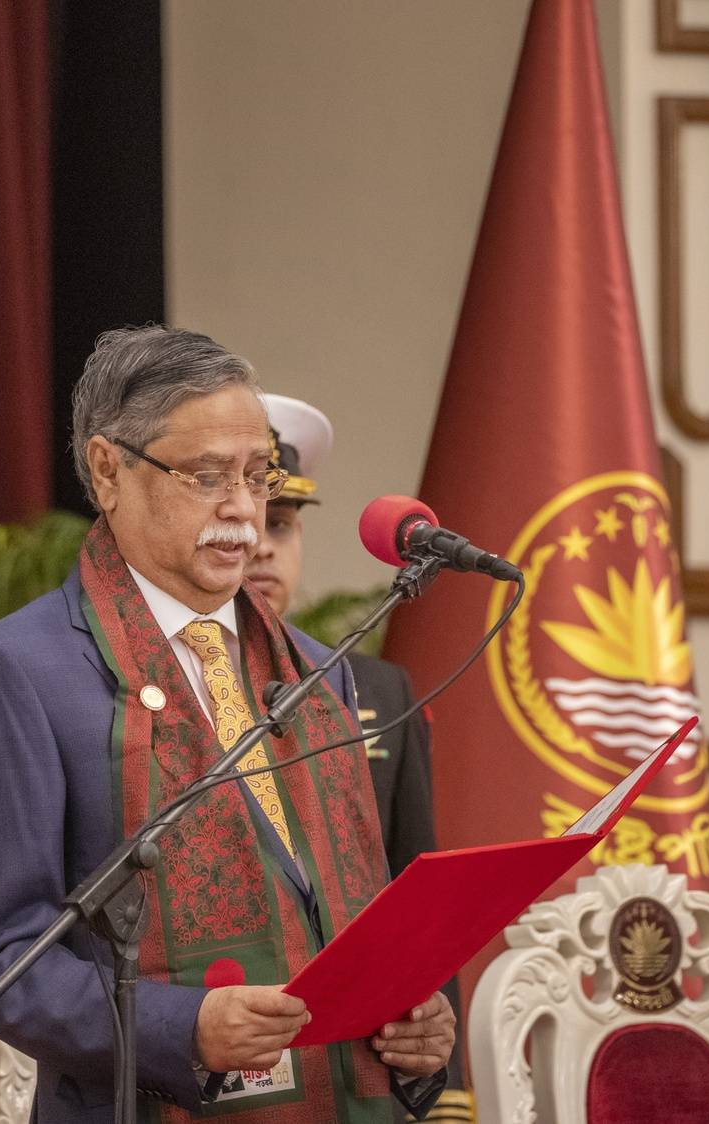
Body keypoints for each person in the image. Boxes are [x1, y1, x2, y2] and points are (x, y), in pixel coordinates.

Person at [0, 326, 454, 1122]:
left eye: (258, 477)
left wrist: (413, 1031)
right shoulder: (23, 673)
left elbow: (348, 922)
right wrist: (188, 1027)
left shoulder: (319, 671)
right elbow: (4, 967)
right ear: (109, 470)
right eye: (208, 477)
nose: (243, 511)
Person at [246, 392, 475, 1121]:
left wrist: (445, 1081)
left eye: (280, 525)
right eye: (246, 524)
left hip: (362, 1064)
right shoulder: (163, 688)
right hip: (233, 1046)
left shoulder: (373, 687)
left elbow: (417, 887)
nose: (262, 548)